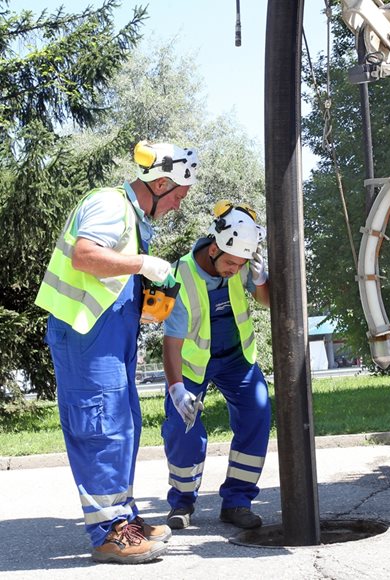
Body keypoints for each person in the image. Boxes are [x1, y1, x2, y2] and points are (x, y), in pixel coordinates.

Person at [34, 140, 199, 564]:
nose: (179, 205)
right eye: (178, 195)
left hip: (108, 336)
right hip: (86, 336)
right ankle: (109, 533)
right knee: (100, 426)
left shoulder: (133, 217)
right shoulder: (110, 204)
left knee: (122, 424)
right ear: (161, 183)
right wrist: (143, 264)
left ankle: (123, 517)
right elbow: (85, 256)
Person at [161, 201, 271, 531]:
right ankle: (181, 503)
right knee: (183, 429)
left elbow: (267, 302)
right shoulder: (181, 276)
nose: (234, 270)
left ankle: (237, 502)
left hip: (237, 359)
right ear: (213, 249)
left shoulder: (241, 264)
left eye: (241, 265)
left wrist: (261, 277)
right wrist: (177, 389)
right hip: (193, 366)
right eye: (230, 263)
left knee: (258, 410)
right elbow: (171, 344)